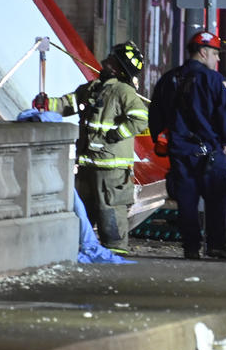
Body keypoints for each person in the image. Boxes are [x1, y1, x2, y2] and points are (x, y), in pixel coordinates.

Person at [34, 41, 148, 254]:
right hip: (87, 162)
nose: (106, 61)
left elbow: (140, 119)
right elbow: (69, 104)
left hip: (111, 167)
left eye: (112, 59)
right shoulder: (93, 88)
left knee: (110, 209)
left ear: (118, 67)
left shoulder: (124, 92)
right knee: (82, 208)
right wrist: (47, 104)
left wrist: (115, 134)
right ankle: (78, 247)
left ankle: (115, 251)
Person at [149, 31, 226, 260]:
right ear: (203, 52)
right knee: (217, 199)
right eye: (215, 54)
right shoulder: (215, 81)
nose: (217, 59)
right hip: (210, 152)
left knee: (186, 201)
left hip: (180, 151)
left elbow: (155, 116)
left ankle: (191, 247)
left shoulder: (168, 79)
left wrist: (163, 139)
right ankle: (216, 245)